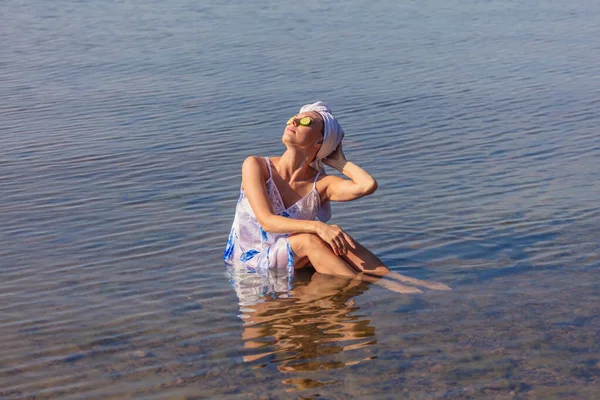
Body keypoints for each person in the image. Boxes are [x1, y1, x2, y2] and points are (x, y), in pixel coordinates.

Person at [224, 101, 450, 296]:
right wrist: (318, 228)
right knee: (313, 237)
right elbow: (267, 221)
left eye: (305, 122)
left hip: (294, 255)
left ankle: (396, 278)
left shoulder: (322, 184)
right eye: (294, 118)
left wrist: (340, 162)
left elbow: (367, 185)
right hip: (251, 260)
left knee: (338, 238)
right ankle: (363, 285)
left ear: (319, 143)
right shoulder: (255, 165)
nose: (293, 122)